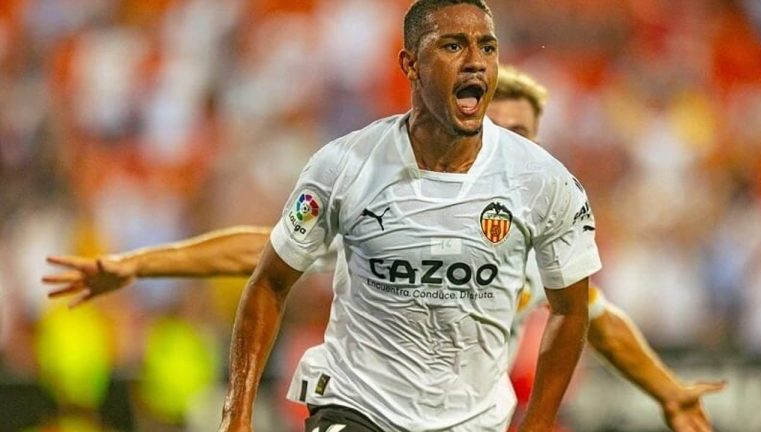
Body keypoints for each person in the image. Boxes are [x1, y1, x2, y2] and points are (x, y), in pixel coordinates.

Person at [43, 63, 725, 431]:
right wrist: (138, 264)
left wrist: (667, 391)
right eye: (499, 128)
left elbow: (600, 321)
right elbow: (260, 252)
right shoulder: (398, 211)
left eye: (523, 135)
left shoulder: (531, 235)